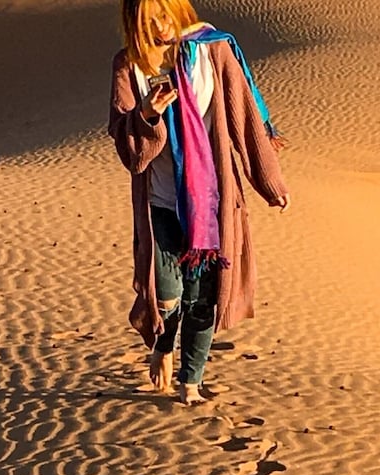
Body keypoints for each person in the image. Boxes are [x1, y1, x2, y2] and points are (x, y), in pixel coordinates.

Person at [108, 0, 291, 405]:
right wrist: (147, 114)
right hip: (160, 204)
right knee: (169, 297)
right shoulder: (130, 66)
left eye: (164, 12)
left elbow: (244, 117)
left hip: (212, 203)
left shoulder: (214, 50)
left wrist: (270, 182)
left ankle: (191, 382)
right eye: (148, 18)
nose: (160, 24)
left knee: (203, 298)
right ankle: (162, 344)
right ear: (134, 23)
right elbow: (131, 153)